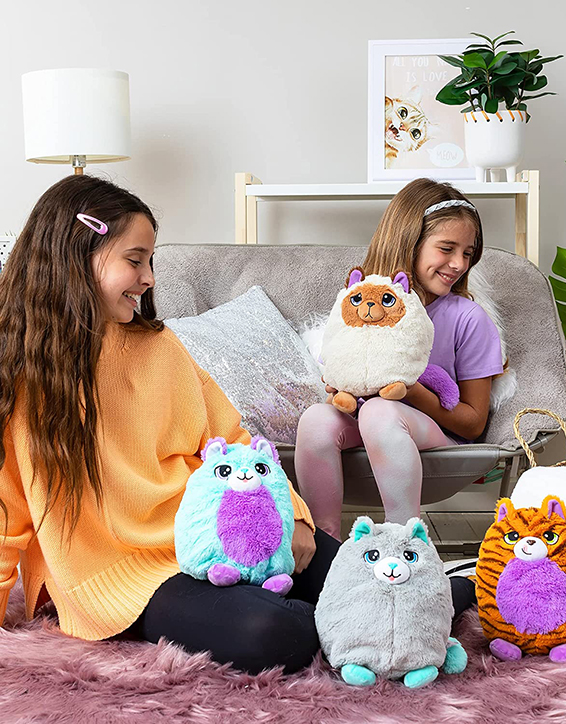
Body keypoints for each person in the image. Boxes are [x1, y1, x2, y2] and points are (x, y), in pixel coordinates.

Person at [0, 174, 337, 674]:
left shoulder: (161, 347)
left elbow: (237, 442)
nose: (150, 277)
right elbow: (7, 510)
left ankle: (406, 603)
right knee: (276, 633)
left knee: (366, 572)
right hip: (121, 576)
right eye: (134, 260)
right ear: (75, 254)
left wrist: (295, 517)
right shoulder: (19, 370)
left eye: (149, 261)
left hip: (222, 531)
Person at [295, 178, 503, 542]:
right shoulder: (361, 303)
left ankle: (403, 541)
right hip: (363, 422)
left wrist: (412, 393)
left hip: (435, 433)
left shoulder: (468, 318)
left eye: (467, 253)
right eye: (447, 248)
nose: (458, 264)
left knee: (380, 412)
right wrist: (339, 380)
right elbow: (339, 365)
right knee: (315, 419)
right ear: (409, 243)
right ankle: (322, 543)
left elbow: (473, 424)